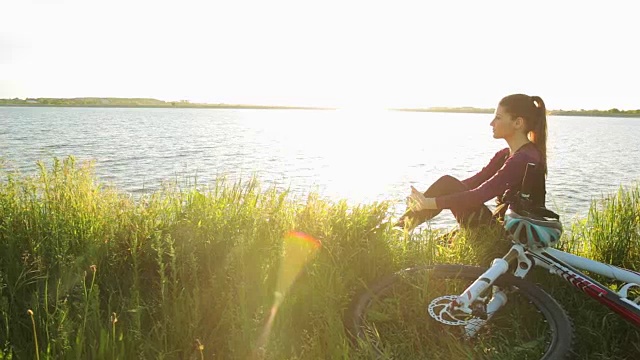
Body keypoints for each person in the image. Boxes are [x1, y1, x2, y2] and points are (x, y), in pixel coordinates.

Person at [399, 94, 549, 231]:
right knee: (443, 237)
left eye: (498, 117)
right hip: (501, 229)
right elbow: (474, 183)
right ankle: (396, 230)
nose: (492, 123)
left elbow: (479, 195)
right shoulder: (506, 155)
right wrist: (426, 196)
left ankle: (396, 230)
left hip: (512, 240)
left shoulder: (524, 158)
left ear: (518, 123)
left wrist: (429, 203)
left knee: (447, 183)